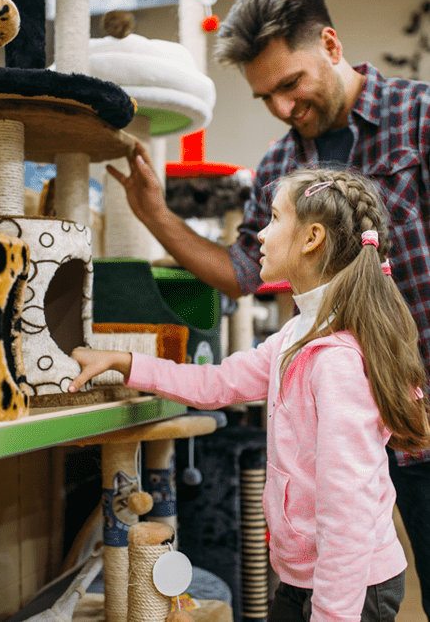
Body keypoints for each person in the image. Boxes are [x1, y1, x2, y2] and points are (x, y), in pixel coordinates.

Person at [104, 0, 430, 616]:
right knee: (353, 541)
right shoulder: (282, 167)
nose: (282, 107)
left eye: (290, 84)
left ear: (330, 45)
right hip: (351, 407)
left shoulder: (418, 117)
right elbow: (242, 272)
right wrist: (154, 215)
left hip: (413, 404)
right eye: (265, 96)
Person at [71, 167, 430, 621]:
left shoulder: (336, 361)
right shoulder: (296, 335)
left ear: (311, 237)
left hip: (350, 587)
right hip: (306, 577)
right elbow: (215, 383)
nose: (260, 235)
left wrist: (333, 614)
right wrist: (127, 363)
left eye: (274, 219)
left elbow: (348, 513)